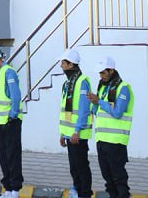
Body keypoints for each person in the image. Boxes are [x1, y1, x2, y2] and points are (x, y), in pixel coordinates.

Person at [88, 56, 131, 198]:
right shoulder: (103, 87)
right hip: (102, 140)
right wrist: (94, 103)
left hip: (116, 142)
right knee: (108, 178)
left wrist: (99, 101)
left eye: (103, 72)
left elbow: (118, 112)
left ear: (111, 70)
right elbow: (97, 112)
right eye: (99, 73)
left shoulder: (123, 88)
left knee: (119, 178)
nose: (101, 76)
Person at [0, 46, 24, 198]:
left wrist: (12, 116)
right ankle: (8, 188)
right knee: (3, 156)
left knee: (12, 155)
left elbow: (15, 96)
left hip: (10, 122)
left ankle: (15, 189)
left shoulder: (8, 72)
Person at [57, 49, 94, 198]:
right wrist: (63, 134)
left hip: (78, 134)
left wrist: (77, 131)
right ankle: (77, 191)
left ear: (71, 64)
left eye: (63, 63)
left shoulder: (82, 82)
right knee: (74, 167)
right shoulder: (68, 83)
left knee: (81, 167)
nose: (61, 65)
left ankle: (85, 194)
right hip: (69, 134)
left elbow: (84, 110)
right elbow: (66, 111)